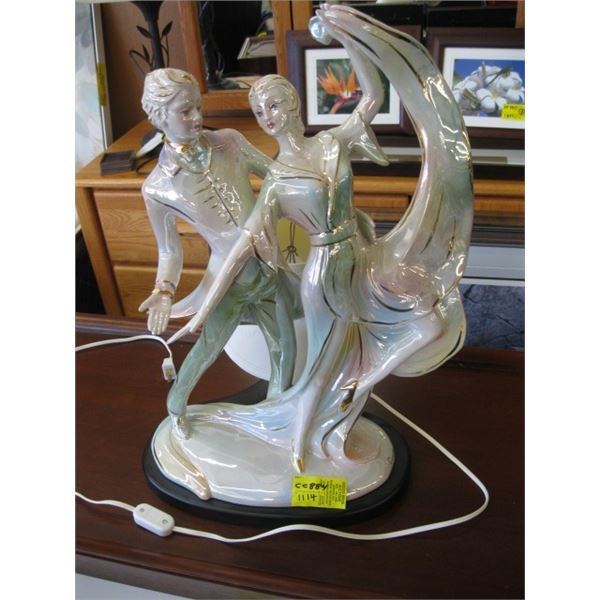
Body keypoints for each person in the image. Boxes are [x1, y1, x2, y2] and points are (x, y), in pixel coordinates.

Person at [169, 4, 473, 473]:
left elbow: (373, 95)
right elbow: (242, 249)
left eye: (273, 105)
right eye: (258, 112)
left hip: (362, 259)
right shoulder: (276, 180)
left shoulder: (332, 142)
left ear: (293, 103)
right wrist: (204, 308)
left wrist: (346, 33)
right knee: (322, 365)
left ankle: (354, 386)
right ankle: (297, 443)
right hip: (324, 274)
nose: (267, 117)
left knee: (428, 323)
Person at [139, 68, 297, 440]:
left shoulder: (231, 141)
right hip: (228, 282)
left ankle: (275, 416)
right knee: (208, 347)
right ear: (160, 117)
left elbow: (277, 176)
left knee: (284, 346)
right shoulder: (157, 188)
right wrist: (163, 291)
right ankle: (176, 406)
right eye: (185, 111)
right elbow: (169, 250)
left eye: (198, 106)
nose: (197, 117)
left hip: (270, 267)